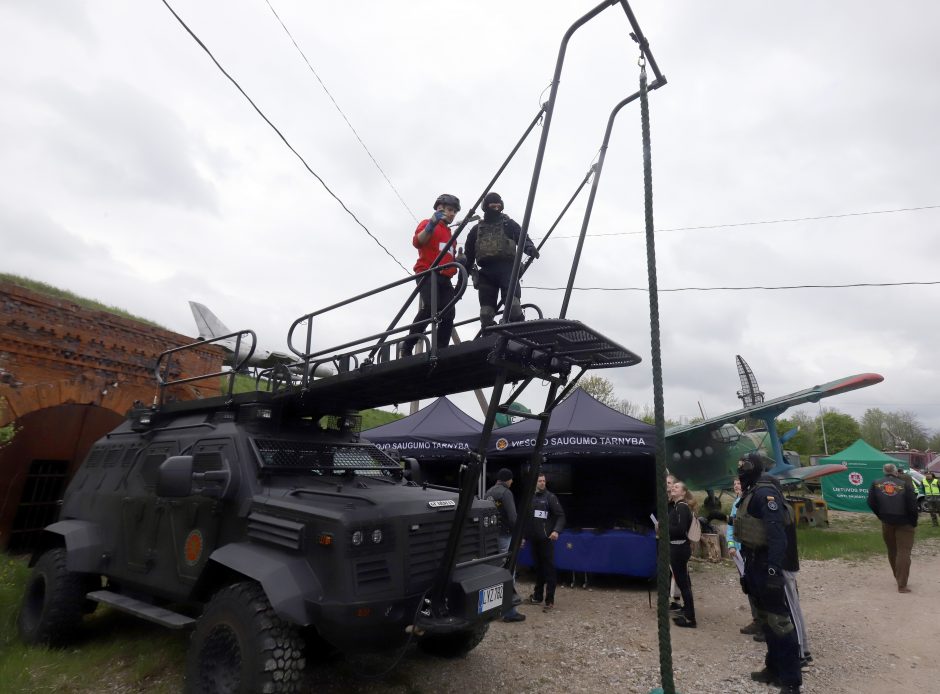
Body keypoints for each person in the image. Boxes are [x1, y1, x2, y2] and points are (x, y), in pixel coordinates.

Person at [734, 452, 803, 693]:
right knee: (765, 620)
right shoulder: (752, 492)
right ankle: (773, 667)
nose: (740, 471)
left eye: (744, 467)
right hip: (752, 559)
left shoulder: (765, 494)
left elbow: (776, 534)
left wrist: (774, 569)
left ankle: (791, 680)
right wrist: (746, 573)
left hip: (765, 561)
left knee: (779, 622)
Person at [463, 192, 539, 328]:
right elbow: (468, 255)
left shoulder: (508, 224)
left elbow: (522, 237)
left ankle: (518, 328)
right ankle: (489, 334)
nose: (496, 206)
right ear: (485, 206)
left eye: (498, 203)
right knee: (486, 314)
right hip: (486, 274)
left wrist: (530, 248)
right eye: (492, 203)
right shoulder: (476, 230)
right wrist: (461, 280)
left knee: (514, 306)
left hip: (508, 270)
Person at [402, 194, 461, 357]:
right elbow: (418, 242)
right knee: (430, 307)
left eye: (455, 212)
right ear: (439, 208)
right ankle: (408, 345)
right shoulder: (427, 223)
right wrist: (431, 226)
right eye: (450, 210)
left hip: (445, 278)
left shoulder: (451, 235)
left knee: (449, 313)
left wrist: (461, 261)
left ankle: (441, 348)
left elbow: (449, 257)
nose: (452, 214)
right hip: (428, 273)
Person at [867, 462, 918, 592]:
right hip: (904, 522)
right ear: (895, 471)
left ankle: (897, 577)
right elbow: (912, 505)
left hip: (887, 521)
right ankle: (902, 584)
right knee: (904, 552)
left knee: (892, 550)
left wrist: (881, 515)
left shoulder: (876, 483)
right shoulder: (905, 484)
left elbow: (871, 502)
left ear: (884, 471)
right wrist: (913, 521)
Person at [485, 468, 525, 622]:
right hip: (504, 536)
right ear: (508, 479)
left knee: (493, 571)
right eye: (511, 479)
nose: (512, 482)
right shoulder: (506, 493)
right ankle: (510, 612)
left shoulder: (488, 492)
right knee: (509, 571)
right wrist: (519, 536)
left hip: (489, 538)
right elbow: (513, 518)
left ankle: (492, 609)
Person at [526, 473, 565, 612]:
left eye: (544, 481)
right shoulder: (530, 498)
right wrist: (524, 537)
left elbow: (561, 516)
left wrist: (556, 531)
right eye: (539, 481)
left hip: (546, 540)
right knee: (538, 569)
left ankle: (550, 600)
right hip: (534, 540)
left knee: (549, 570)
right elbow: (527, 519)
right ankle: (537, 596)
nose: (542, 483)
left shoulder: (550, 497)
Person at [727, 477, 761, 636]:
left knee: (757, 586)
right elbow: (730, 526)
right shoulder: (736, 503)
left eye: (739, 483)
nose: (736, 486)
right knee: (747, 585)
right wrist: (731, 544)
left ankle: (764, 621)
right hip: (738, 551)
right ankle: (756, 620)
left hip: (750, 550)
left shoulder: (751, 502)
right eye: (734, 484)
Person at [668, 481, 697, 628]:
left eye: (677, 487)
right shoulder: (677, 507)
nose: (673, 487)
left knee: (683, 582)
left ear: (684, 492)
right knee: (683, 581)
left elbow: (680, 529)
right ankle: (687, 610)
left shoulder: (681, 507)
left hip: (679, 547)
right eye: (673, 486)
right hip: (677, 547)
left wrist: (663, 526)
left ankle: (690, 618)